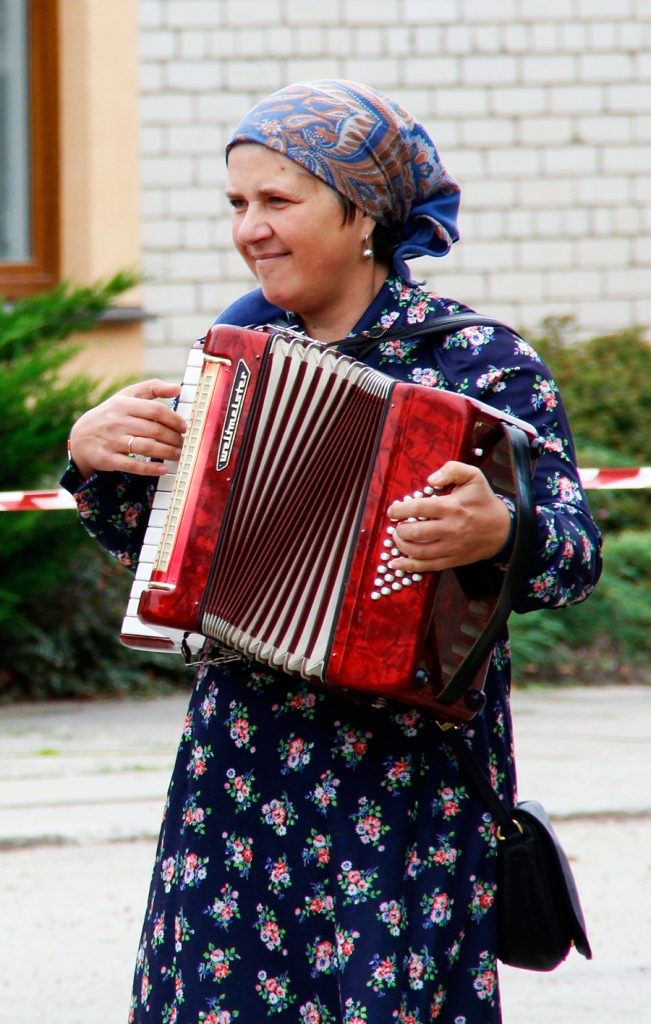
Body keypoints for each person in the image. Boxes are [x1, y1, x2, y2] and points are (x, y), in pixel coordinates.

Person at [63, 81, 602, 1024]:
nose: (250, 229)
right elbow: (157, 555)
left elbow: (574, 557)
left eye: (277, 201)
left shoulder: (478, 362)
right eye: (237, 204)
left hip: (406, 785)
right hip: (240, 770)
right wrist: (93, 461)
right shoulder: (233, 355)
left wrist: (501, 532)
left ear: (363, 215)